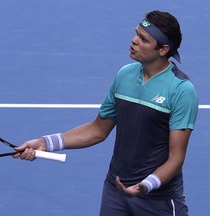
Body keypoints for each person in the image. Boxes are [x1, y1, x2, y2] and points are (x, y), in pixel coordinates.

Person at [13, 10, 199, 216]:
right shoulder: (124, 75)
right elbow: (97, 130)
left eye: (143, 39)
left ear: (163, 49)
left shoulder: (181, 90)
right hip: (115, 191)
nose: (134, 40)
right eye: (136, 34)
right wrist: (44, 143)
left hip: (156, 198)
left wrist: (145, 185)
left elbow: (176, 158)